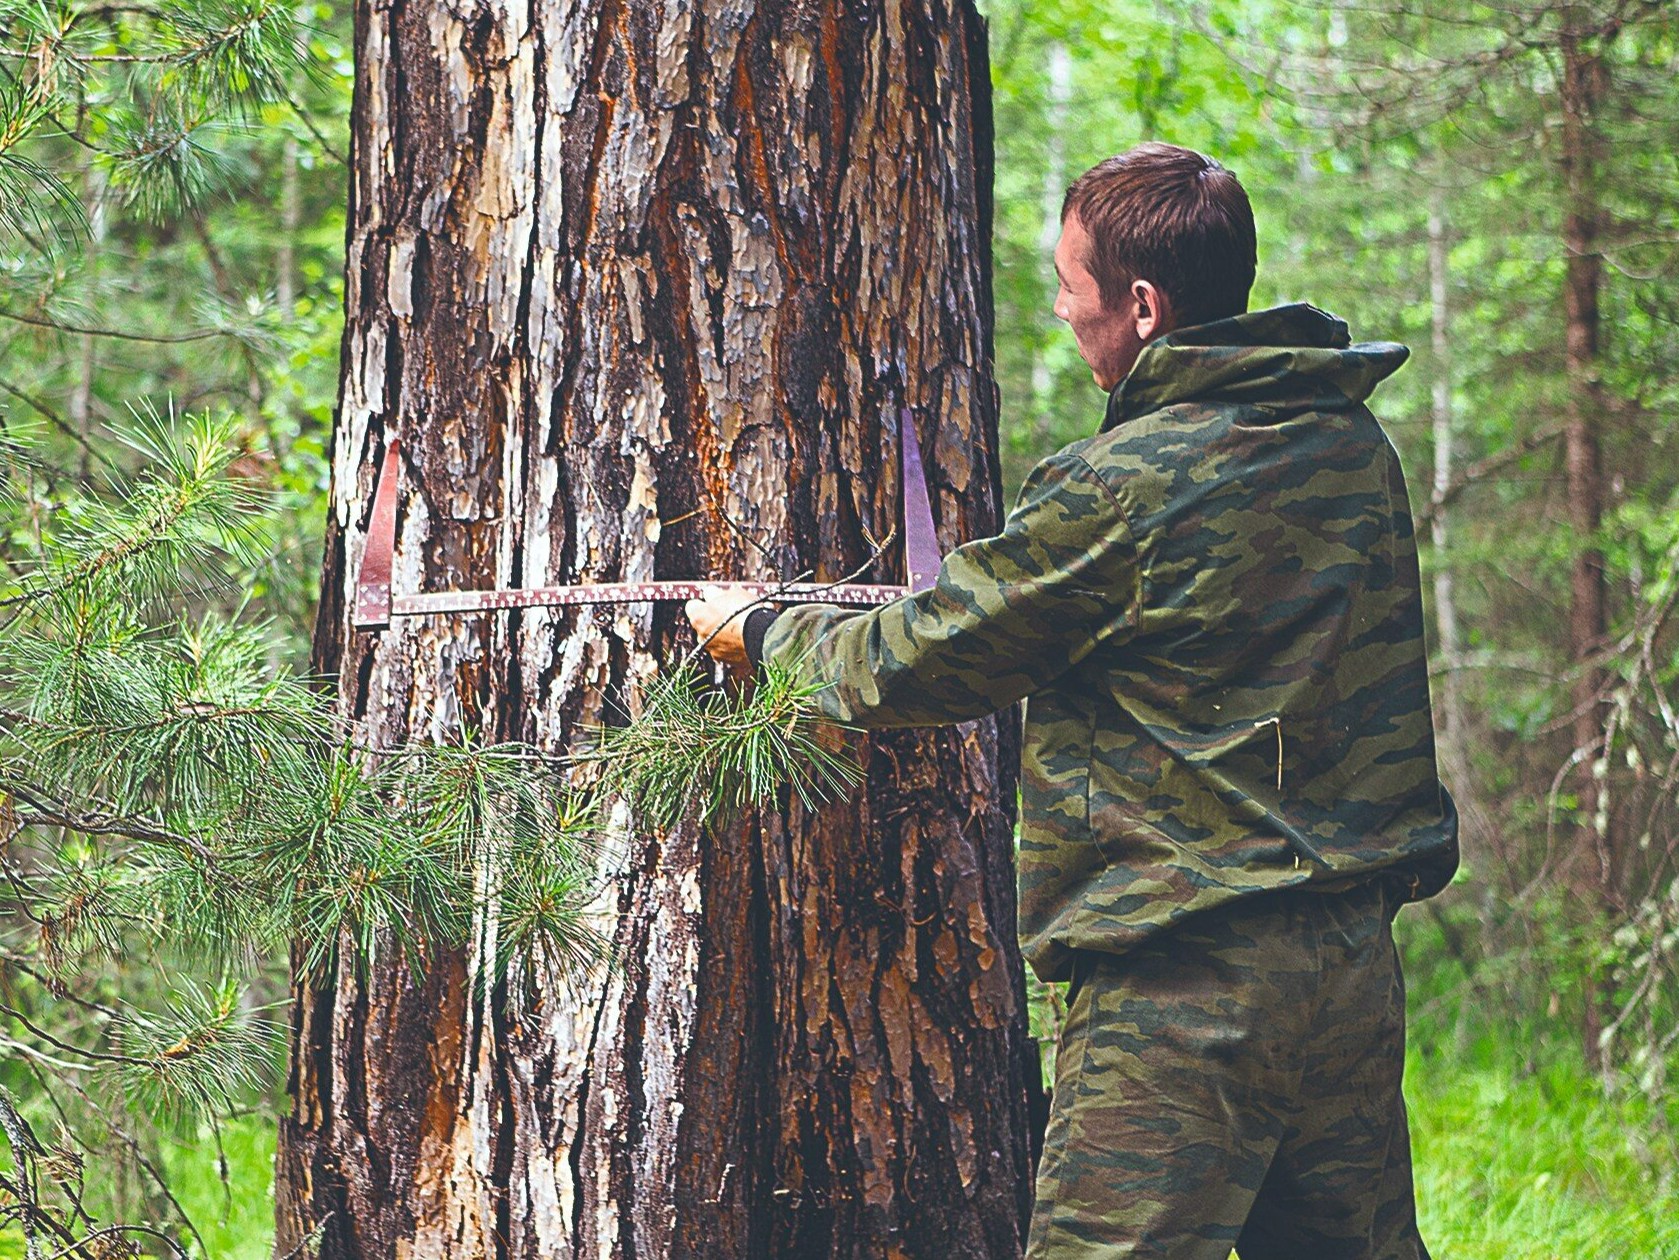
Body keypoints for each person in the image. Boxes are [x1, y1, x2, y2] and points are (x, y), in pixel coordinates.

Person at [686, 142, 1458, 1260]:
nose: (1058, 308)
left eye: (1070, 286)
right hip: (1346, 972)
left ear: (1142, 307)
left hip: (1177, 992)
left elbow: (919, 659)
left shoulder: (1120, 486)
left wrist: (760, 630)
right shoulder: (1346, 442)